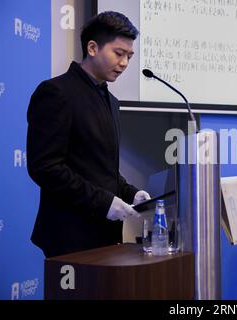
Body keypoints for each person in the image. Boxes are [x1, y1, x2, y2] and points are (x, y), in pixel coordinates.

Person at [26, 11, 150, 258]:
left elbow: (100, 167)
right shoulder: (56, 92)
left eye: (129, 56)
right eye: (119, 53)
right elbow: (45, 167)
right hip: (69, 236)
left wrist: (130, 192)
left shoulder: (112, 101)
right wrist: (104, 202)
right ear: (92, 48)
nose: (125, 63)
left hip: (106, 235)